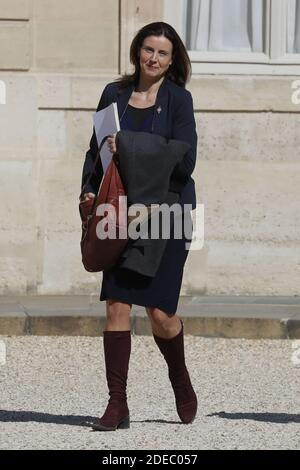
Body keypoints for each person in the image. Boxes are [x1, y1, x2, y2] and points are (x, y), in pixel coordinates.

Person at [80, 21, 198, 431]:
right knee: (116, 304)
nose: (154, 58)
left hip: (166, 212)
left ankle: (179, 378)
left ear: (172, 59)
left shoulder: (179, 100)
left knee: (161, 313)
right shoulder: (114, 94)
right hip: (118, 209)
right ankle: (117, 405)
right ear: (137, 50)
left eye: (163, 53)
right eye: (149, 49)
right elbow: (96, 148)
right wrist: (88, 192)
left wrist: (128, 145)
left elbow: (185, 161)